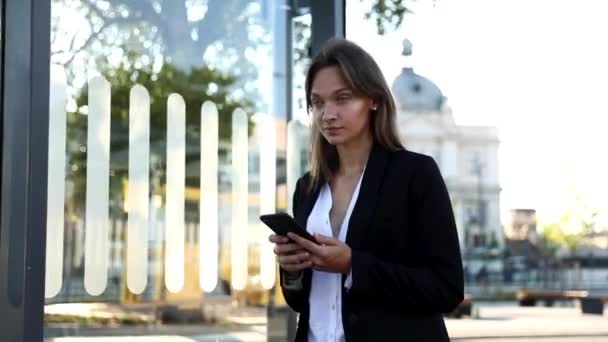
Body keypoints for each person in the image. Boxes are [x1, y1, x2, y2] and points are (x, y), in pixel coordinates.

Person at [269, 38, 464, 342]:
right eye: (318, 102)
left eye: (342, 99)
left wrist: (352, 265)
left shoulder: (415, 175)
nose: (327, 114)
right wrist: (292, 270)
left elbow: (446, 287)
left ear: (373, 99)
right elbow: (302, 301)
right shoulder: (307, 188)